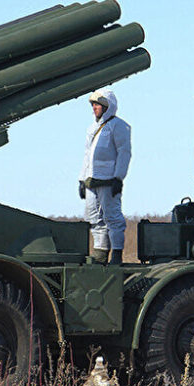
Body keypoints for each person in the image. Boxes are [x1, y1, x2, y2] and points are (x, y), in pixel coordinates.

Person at [78, 88, 131, 264]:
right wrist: (81, 179)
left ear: (107, 106)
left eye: (97, 104)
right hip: (91, 180)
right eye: (92, 104)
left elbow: (124, 153)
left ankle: (116, 253)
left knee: (112, 217)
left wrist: (118, 178)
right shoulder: (91, 128)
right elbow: (87, 155)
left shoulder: (119, 126)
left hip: (109, 180)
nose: (94, 107)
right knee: (93, 217)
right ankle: (100, 252)